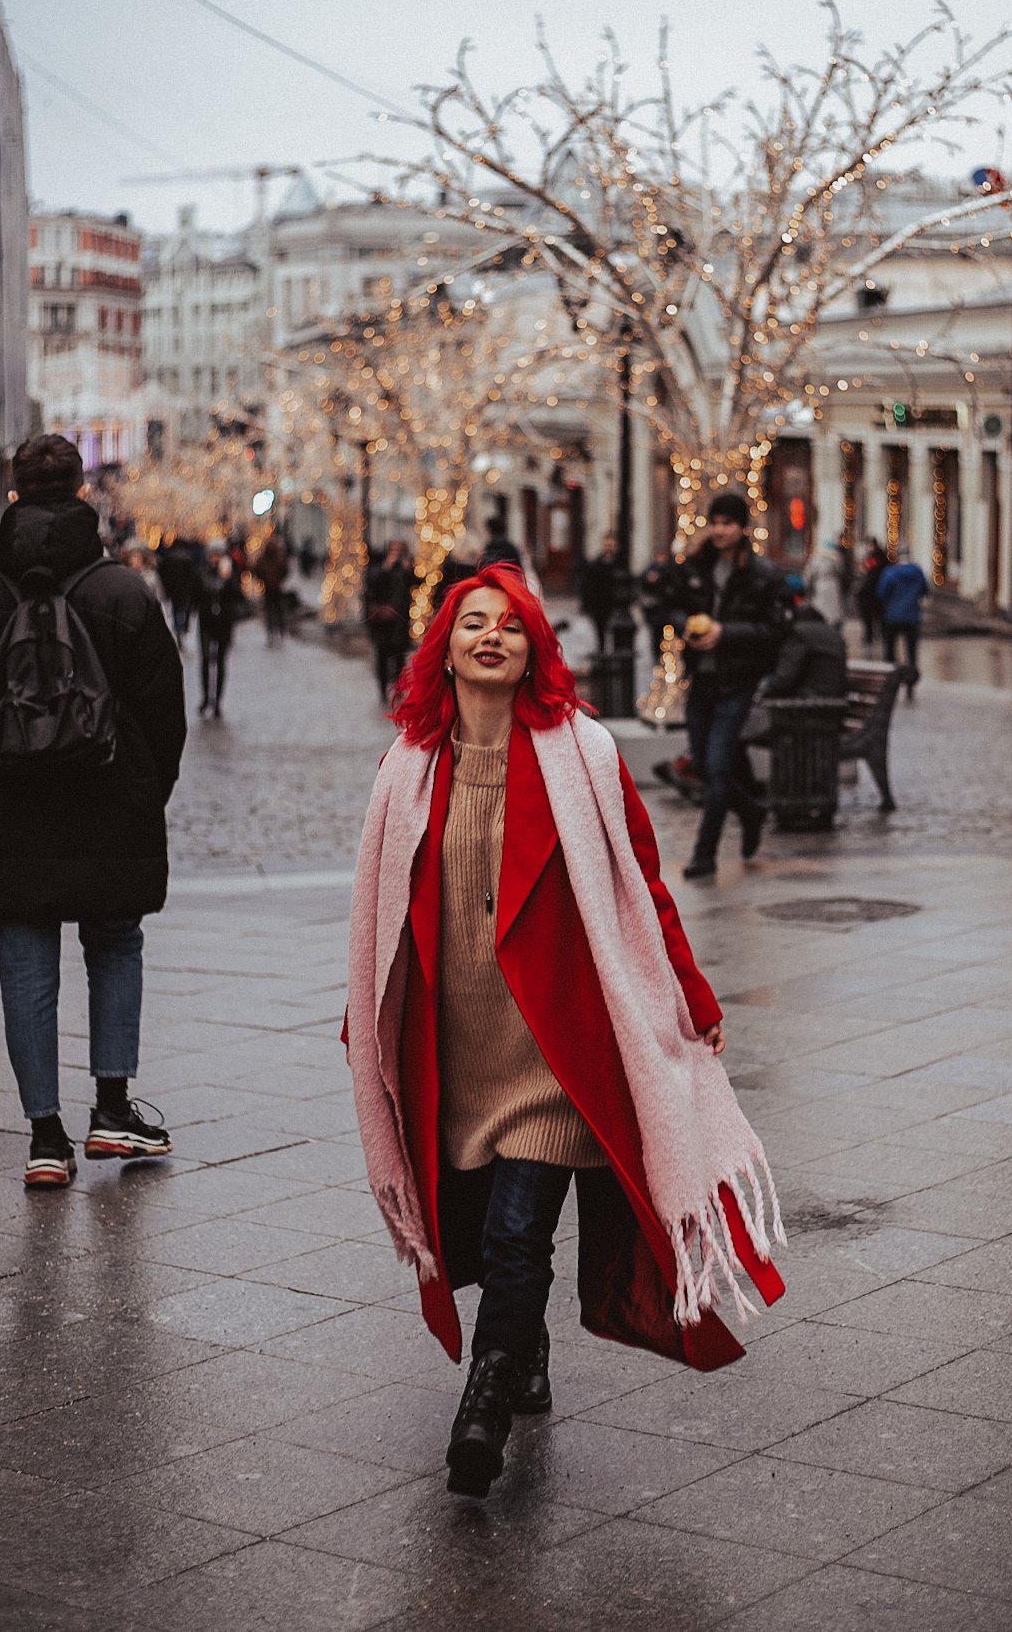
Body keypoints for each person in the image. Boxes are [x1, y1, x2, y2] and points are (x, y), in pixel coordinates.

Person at [344, 563, 785, 1500]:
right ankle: (527, 1348)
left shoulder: (584, 755)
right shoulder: (407, 769)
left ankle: (485, 1406)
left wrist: (693, 996)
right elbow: (377, 917)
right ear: (446, 648)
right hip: (460, 1045)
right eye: (473, 622)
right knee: (483, 1226)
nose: (491, 636)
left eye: (511, 624)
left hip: (554, 1046)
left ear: (534, 649)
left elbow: (641, 884)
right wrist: (368, 1012)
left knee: (518, 1232)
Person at [0, 434, 185, 1187]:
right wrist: (145, 791)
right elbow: (164, 713)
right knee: (113, 943)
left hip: (10, 809)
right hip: (111, 801)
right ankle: (111, 1110)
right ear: (83, 492)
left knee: (25, 963)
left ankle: (46, 1138)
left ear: (14, 495)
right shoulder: (124, 592)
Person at [658, 493, 794, 879]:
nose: (719, 530)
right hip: (700, 679)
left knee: (718, 766)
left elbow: (778, 629)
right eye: (714, 522)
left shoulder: (763, 575)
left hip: (737, 683)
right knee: (702, 766)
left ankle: (705, 853)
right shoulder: (695, 565)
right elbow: (668, 604)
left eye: (727, 523)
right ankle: (751, 810)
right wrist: (685, 626)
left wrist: (726, 633)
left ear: (743, 528)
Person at [195, 539, 244, 718]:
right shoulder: (201, 571)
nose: (215, 559)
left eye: (218, 555)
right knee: (205, 660)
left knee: (221, 661)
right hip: (206, 622)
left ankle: (217, 702)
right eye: (212, 555)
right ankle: (205, 698)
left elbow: (238, 596)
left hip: (224, 622)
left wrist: (228, 578)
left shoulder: (230, 572)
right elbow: (196, 593)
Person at [760, 604, 848, 702]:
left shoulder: (800, 632)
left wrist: (763, 695)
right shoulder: (834, 633)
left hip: (808, 701)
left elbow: (785, 677)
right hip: (835, 701)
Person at [365, 540, 416, 703]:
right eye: (393, 550)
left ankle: (398, 690)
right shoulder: (380, 566)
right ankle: (382, 690)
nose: (396, 553)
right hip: (383, 622)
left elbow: (417, 583)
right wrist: (386, 567)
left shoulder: (405, 567)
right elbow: (372, 585)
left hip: (400, 621)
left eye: (399, 550)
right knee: (382, 656)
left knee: (400, 658)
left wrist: (409, 569)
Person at [875, 544, 928, 695]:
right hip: (912, 617)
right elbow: (925, 590)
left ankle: (890, 682)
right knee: (911, 652)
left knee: (890, 651)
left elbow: (881, 593)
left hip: (893, 616)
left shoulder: (891, 572)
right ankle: (910, 683)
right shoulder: (917, 572)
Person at [579, 533, 619, 651]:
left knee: (615, 630)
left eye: (612, 545)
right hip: (599, 604)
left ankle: (613, 651)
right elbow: (588, 585)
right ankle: (602, 650)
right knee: (600, 630)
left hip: (614, 603)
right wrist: (586, 605)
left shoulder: (619, 564)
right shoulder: (596, 564)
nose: (609, 547)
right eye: (607, 544)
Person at [157, 536, 199, 645]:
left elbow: (163, 574)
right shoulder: (188, 557)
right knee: (183, 609)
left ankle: (178, 628)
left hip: (173, 590)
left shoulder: (169, 556)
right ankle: (182, 627)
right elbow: (192, 575)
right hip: (185, 590)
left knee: (176, 610)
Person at [253, 531, 291, 647]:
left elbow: (257, 571)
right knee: (279, 611)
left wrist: (263, 580)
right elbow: (285, 571)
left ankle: (271, 632)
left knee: (269, 612)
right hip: (277, 589)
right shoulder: (279, 559)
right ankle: (279, 630)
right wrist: (278, 580)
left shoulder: (262, 560)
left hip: (268, 590)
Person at [639, 549, 672, 664]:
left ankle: (666, 655)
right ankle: (657, 656)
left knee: (666, 633)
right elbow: (643, 582)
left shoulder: (669, 569)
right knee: (655, 634)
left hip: (665, 608)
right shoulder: (650, 569)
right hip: (654, 610)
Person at [804, 541, 844, 627]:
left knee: (821, 608)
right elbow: (841, 571)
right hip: (832, 585)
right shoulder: (835, 558)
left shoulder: (815, 559)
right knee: (833, 611)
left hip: (820, 585)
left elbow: (809, 574)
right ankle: (832, 625)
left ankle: (821, 624)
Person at [855, 537, 887, 645]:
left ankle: (872, 635)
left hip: (873, 593)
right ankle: (871, 635)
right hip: (872, 594)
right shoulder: (875, 557)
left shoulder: (877, 559)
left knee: (875, 616)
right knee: (873, 617)